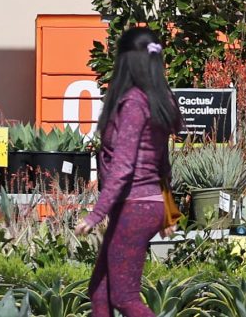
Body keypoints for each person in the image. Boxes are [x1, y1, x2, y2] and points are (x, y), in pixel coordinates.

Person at [74, 27, 181, 317]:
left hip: (134, 206)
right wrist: (168, 210)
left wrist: (95, 215)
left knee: (124, 297)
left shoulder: (134, 102)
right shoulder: (160, 99)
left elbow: (123, 167)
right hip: (149, 204)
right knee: (99, 290)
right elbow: (163, 163)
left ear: (127, 61)